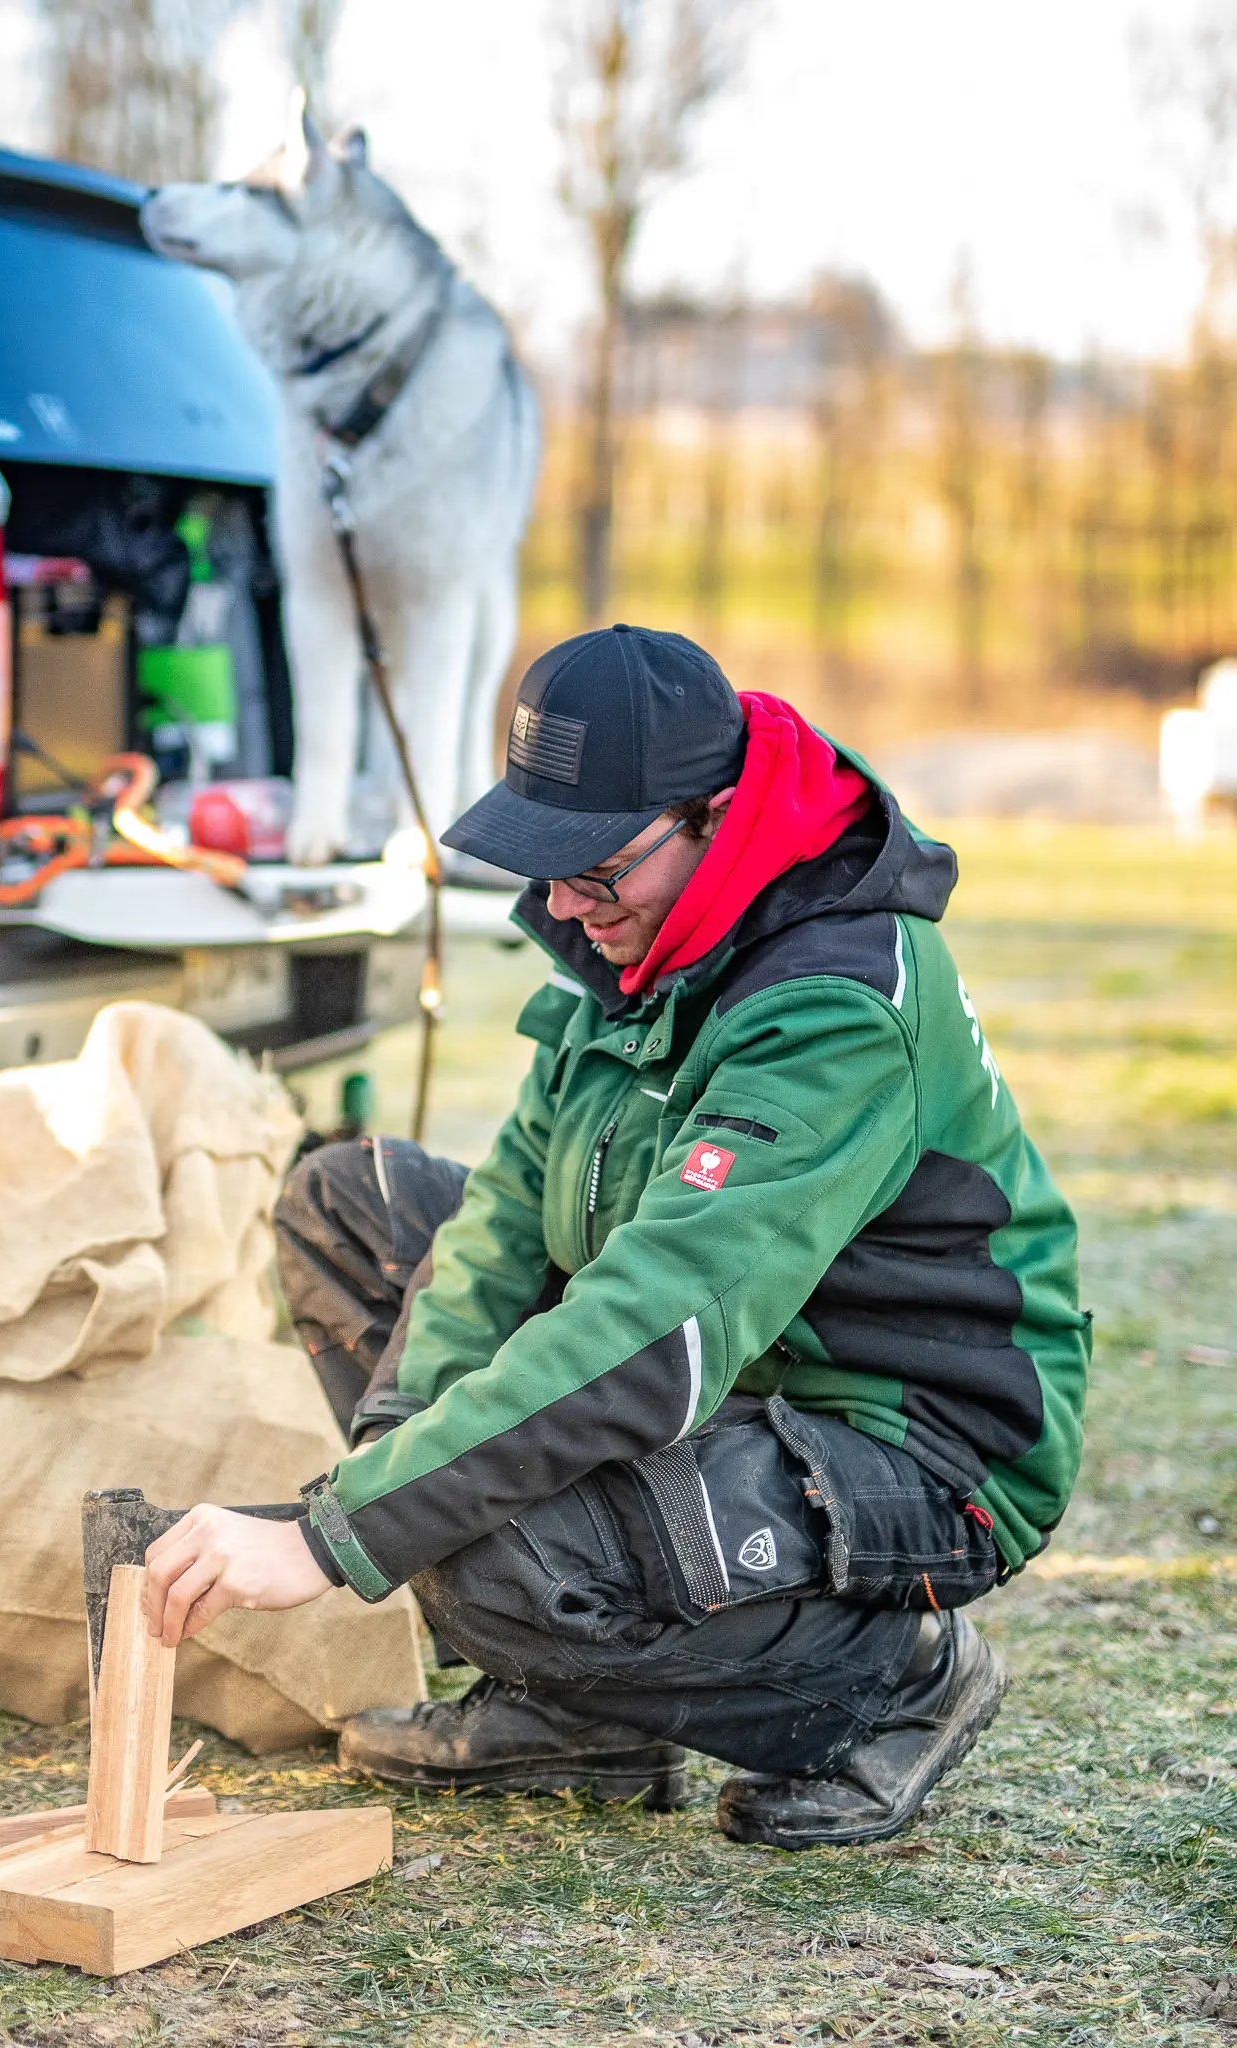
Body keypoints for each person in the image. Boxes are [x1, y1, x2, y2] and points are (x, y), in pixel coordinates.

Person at [139, 626, 1089, 1849]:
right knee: (351, 1206)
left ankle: (898, 1678)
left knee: (497, 1551)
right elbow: (498, 1227)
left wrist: (343, 1533)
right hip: (737, 1369)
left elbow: (658, 1324)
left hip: (908, 1431)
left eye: (597, 868)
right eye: (544, 865)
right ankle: (575, 1711)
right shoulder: (636, 935)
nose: (564, 906)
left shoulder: (836, 999)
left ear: (715, 817)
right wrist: (395, 1454)